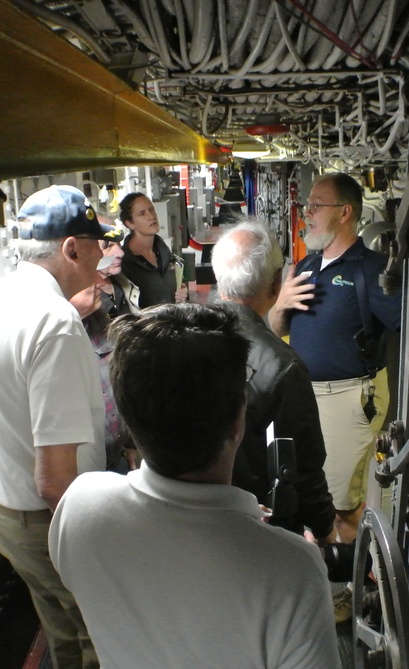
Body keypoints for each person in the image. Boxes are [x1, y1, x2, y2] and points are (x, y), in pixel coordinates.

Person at [49, 304, 341, 669]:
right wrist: (288, 550)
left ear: (127, 416)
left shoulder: (79, 506)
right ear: (238, 422)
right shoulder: (292, 571)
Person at [0, 184, 110, 669]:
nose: (102, 253)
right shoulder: (54, 322)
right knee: (101, 635)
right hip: (50, 519)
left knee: (61, 629)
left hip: (2, 514)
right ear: (71, 248)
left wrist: (3, 460)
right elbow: (54, 480)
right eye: (96, 242)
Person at [269, 172, 402, 544]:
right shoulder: (308, 266)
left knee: (342, 504)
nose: (306, 213)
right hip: (303, 395)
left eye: (315, 206)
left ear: (344, 213)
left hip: (348, 399)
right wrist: (280, 306)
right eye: (306, 205)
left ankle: (350, 590)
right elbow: (277, 328)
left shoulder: (371, 270)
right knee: (311, 492)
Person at [211, 220, 336, 544]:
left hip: (186, 518)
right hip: (254, 529)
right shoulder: (282, 366)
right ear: (275, 283)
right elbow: (305, 469)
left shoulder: (184, 337)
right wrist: (324, 530)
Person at [69, 221, 138, 474]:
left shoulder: (99, 318)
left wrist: (130, 442)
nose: (97, 280)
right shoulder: (51, 335)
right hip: (81, 472)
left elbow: (119, 380)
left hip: (116, 457)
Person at [118, 191, 188, 307]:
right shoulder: (124, 264)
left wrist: (183, 293)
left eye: (151, 209)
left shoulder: (165, 253)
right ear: (130, 224)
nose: (151, 216)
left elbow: (174, 289)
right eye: (142, 213)